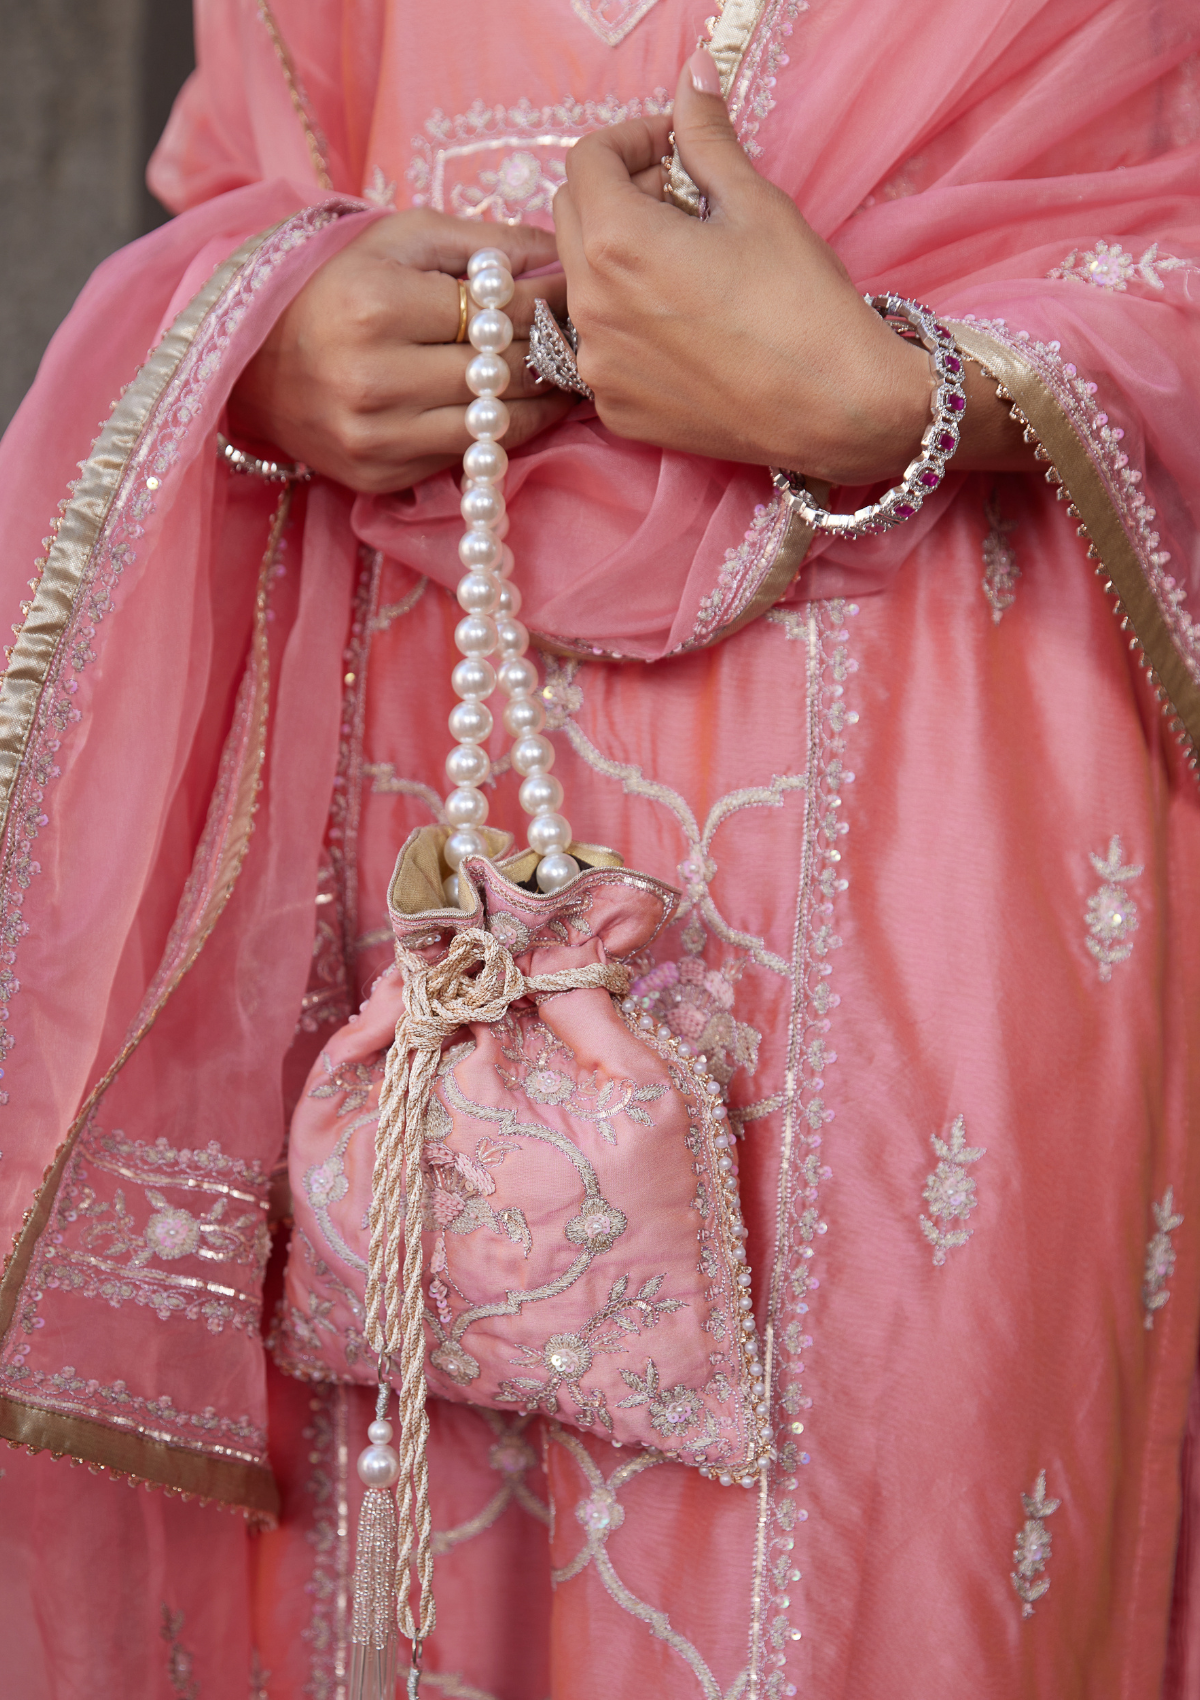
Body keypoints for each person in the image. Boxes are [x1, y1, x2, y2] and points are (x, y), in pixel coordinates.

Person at [1, 0, 1198, 1694]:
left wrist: (908, 393)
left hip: (943, 831)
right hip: (411, 821)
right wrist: (270, 337)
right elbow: (241, 174)